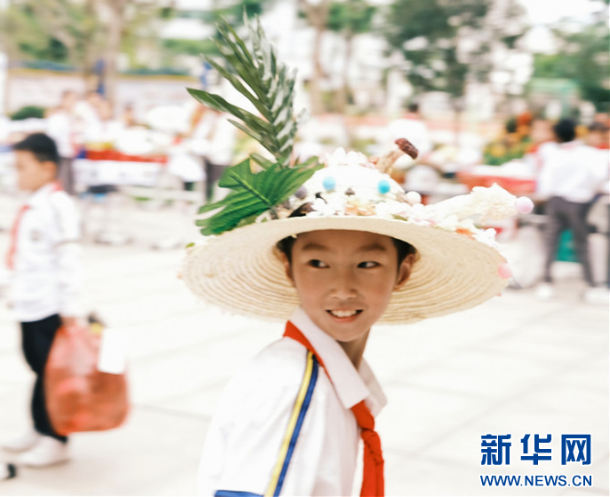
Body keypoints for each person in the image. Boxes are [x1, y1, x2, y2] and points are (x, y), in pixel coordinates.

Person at [182, 25, 530, 496]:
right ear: (288, 266)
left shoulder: (320, 375)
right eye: (318, 264)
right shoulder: (295, 388)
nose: (342, 288)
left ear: (402, 270)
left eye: (367, 265)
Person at [1, 133, 88, 467]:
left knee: (53, 374)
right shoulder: (33, 204)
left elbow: (69, 258)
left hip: (50, 306)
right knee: (38, 369)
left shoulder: (58, 206)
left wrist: (70, 307)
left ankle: (56, 437)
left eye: (22, 167)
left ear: (47, 167)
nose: (17, 174)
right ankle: (39, 428)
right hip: (28, 303)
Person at [535, 119, 609, 304]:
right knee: (581, 244)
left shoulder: (553, 153)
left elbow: (545, 180)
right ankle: (591, 285)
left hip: (555, 201)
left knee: (551, 242)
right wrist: (588, 191)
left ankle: (546, 282)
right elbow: (599, 176)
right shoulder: (588, 153)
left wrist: (544, 194)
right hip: (579, 203)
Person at [45, 90, 80, 194]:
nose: (73, 103)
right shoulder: (57, 117)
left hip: (69, 153)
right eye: (71, 100)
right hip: (60, 154)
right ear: (64, 100)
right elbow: (52, 137)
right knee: (62, 186)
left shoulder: (69, 117)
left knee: (68, 186)